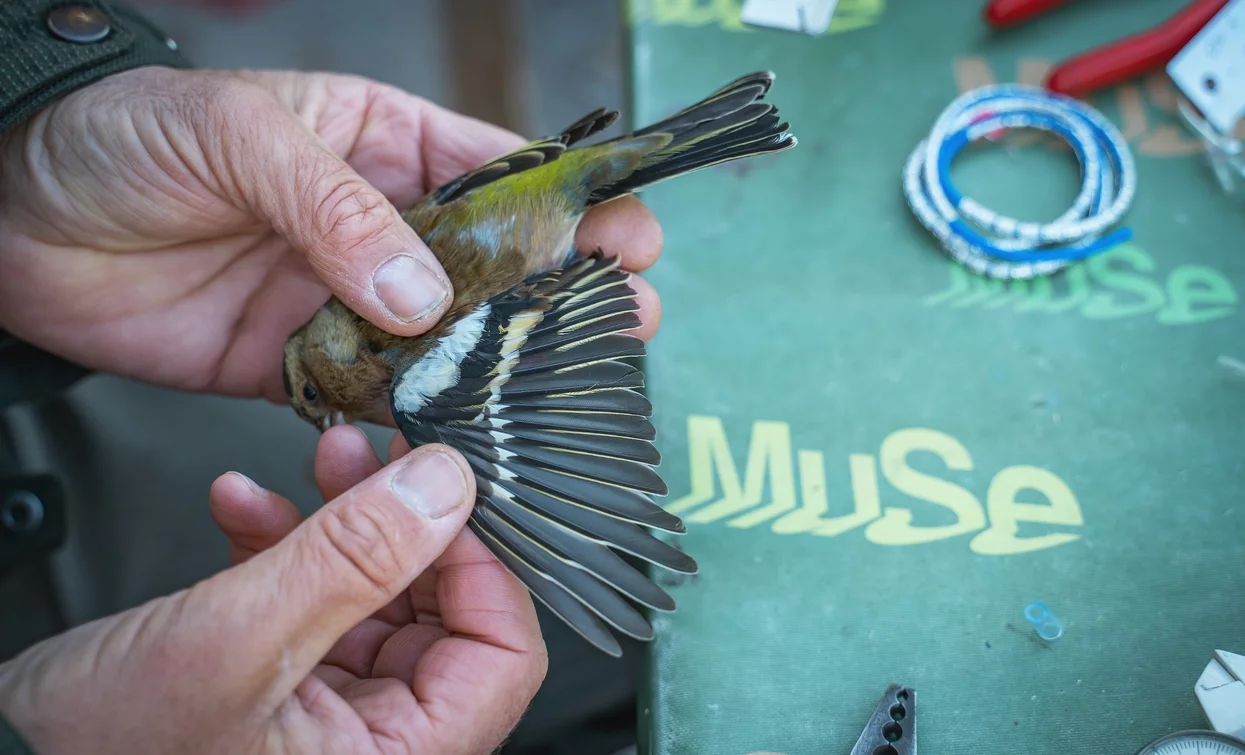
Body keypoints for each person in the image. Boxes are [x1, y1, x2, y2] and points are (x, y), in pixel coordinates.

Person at [0, 2, 665, 753]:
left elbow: (510, 423)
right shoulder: (391, 355)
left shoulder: (411, 374)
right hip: (524, 191)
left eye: (312, 394)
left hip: (542, 217)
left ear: (324, 357)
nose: (322, 413)